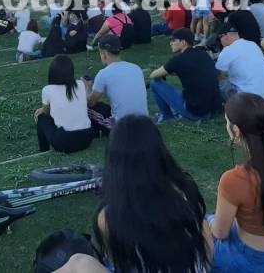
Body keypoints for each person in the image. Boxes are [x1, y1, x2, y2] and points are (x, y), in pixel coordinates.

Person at [57, 115, 212, 273]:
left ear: (114, 161)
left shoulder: (109, 216)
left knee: (79, 262)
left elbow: (115, 262)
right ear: (159, 151)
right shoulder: (185, 188)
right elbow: (207, 249)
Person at [209, 93, 264, 272]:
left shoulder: (234, 179)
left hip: (249, 261)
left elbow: (220, 233)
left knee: (202, 223)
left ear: (236, 130)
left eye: (227, 122)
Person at [150, 28, 223, 123]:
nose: (170, 43)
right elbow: (213, 74)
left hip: (196, 112)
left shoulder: (177, 60)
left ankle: (167, 117)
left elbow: (153, 75)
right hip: (214, 110)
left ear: (183, 42)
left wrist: (166, 73)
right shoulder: (204, 55)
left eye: (173, 40)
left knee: (154, 83)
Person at [86, 35, 148, 133]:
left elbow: (91, 103)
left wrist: (88, 88)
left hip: (123, 128)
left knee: (86, 110)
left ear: (104, 54)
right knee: (104, 107)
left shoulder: (103, 73)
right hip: (145, 123)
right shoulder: (136, 68)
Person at [33, 55, 93, 154]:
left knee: (42, 117)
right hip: (86, 139)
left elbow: (47, 112)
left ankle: (43, 150)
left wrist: (43, 109)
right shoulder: (81, 84)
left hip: (64, 142)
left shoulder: (48, 90)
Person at [216, 24, 264, 105]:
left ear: (225, 35)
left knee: (219, 81)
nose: (220, 41)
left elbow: (218, 75)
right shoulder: (253, 45)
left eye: (220, 38)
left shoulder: (227, 50)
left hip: (247, 102)